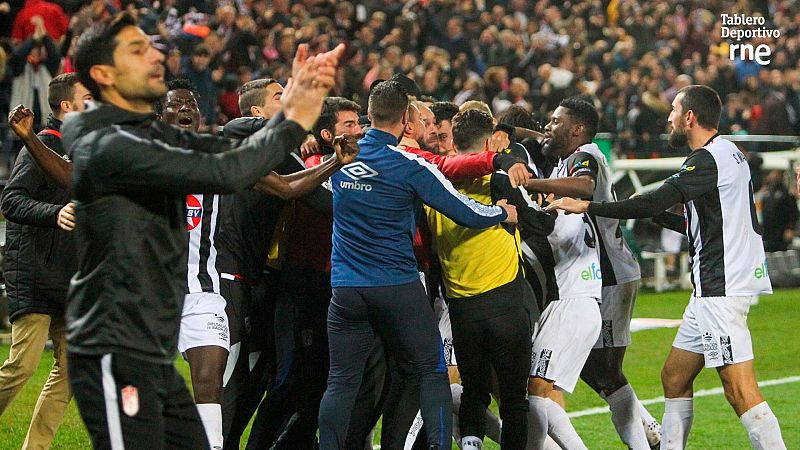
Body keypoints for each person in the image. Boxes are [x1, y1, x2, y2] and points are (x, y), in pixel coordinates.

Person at [49, 11, 344, 449]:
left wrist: (296, 112)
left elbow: (256, 171)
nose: (155, 58)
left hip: (202, 290)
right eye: (138, 51)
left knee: (207, 396)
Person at [548, 85, 785, 450]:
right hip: (711, 288)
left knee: (741, 392)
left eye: (674, 110)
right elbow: (704, 226)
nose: (669, 117)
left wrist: (590, 208)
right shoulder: (729, 154)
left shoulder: (705, 160)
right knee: (674, 377)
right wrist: (661, 218)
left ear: (690, 117)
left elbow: (654, 199)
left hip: (720, 290)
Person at [318, 80, 517, 450]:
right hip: (396, 286)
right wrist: (499, 213)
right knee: (431, 371)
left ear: (370, 115)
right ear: (406, 118)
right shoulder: (408, 164)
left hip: (345, 289)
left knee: (341, 381)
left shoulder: (338, 161)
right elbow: (463, 210)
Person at [524, 97, 659, 449]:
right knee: (591, 369)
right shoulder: (565, 160)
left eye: (556, 122)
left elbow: (583, 187)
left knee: (605, 372)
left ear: (577, 128)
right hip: (599, 274)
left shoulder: (585, 155)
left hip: (609, 274)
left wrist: (532, 185)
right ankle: (647, 429)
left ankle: (647, 436)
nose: (548, 127)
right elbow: (538, 138)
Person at [426, 109, 535, 450]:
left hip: (461, 307)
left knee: (474, 392)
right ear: (489, 144)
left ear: (453, 141)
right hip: (505, 303)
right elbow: (540, 224)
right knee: (515, 398)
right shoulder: (498, 181)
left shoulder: (432, 182)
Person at [0, 72, 89, 450]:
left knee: (72, 370)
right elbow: (10, 201)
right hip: (34, 270)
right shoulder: (39, 146)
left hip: (70, 277)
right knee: (22, 365)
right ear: (67, 106)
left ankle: (34, 448)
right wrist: (54, 213)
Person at [759, 170, 798, 252]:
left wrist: (790, 228)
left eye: (776, 175)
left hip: (781, 231)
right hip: (767, 231)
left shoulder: (786, 194)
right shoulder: (766, 193)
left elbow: (793, 213)